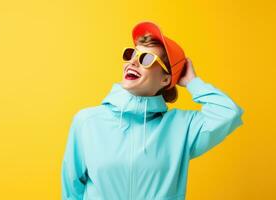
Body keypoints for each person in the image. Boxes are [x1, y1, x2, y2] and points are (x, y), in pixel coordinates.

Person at [60, 21, 244, 200]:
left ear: (166, 79)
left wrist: (192, 83)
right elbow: (72, 189)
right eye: (131, 54)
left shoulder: (182, 127)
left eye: (146, 59)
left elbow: (228, 112)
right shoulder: (88, 121)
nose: (132, 62)